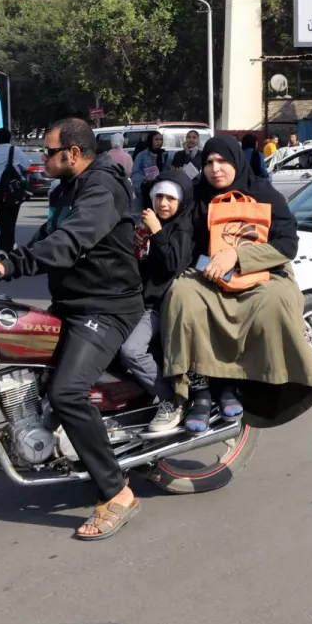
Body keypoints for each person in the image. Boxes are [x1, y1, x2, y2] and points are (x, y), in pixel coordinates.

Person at [0, 119, 145, 541]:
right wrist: (0, 263)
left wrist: (8, 266)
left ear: (74, 154)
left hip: (106, 306)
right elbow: (47, 237)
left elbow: (70, 242)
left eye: (48, 152)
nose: (41, 159)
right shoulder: (67, 188)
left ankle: (117, 492)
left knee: (67, 392)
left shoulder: (102, 189)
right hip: (74, 302)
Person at [162, 135, 312, 433]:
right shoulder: (196, 194)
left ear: (237, 161)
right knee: (183, 294)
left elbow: (287, 245)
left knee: (274, 301)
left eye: (223, 161)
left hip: (261, 272)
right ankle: (196, 388)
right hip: (208, 273)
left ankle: (240, 384)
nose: (215, 169)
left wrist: (236, 255)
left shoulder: (263, 192)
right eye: (209, 162)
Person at [119, 172, 195, 436]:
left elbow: (173, 264)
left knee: (131, 350)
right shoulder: (149, 224)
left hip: (162, 306)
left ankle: (172, 400)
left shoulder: (182, 227)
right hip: (138, 300)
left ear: (181, 201)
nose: (163, 203)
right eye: (159, 196)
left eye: (170, 198)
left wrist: (157, 232)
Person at [0, 127, 27, 252]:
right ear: (9, 138)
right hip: (12, 189)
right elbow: (26, 166)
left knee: (2, 219)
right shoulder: (15, 150)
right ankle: (6, 248)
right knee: (11, 219)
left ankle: (6, 246)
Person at [131, 131, 171, 207]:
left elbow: (167, 170)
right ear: (150, 140)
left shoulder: (164, 155)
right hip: (146, 189)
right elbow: (134, 173)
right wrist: (144, 178)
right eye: (156, 139)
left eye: (161, 139)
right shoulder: (141, 155)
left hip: (161, 189)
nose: (159, 142)